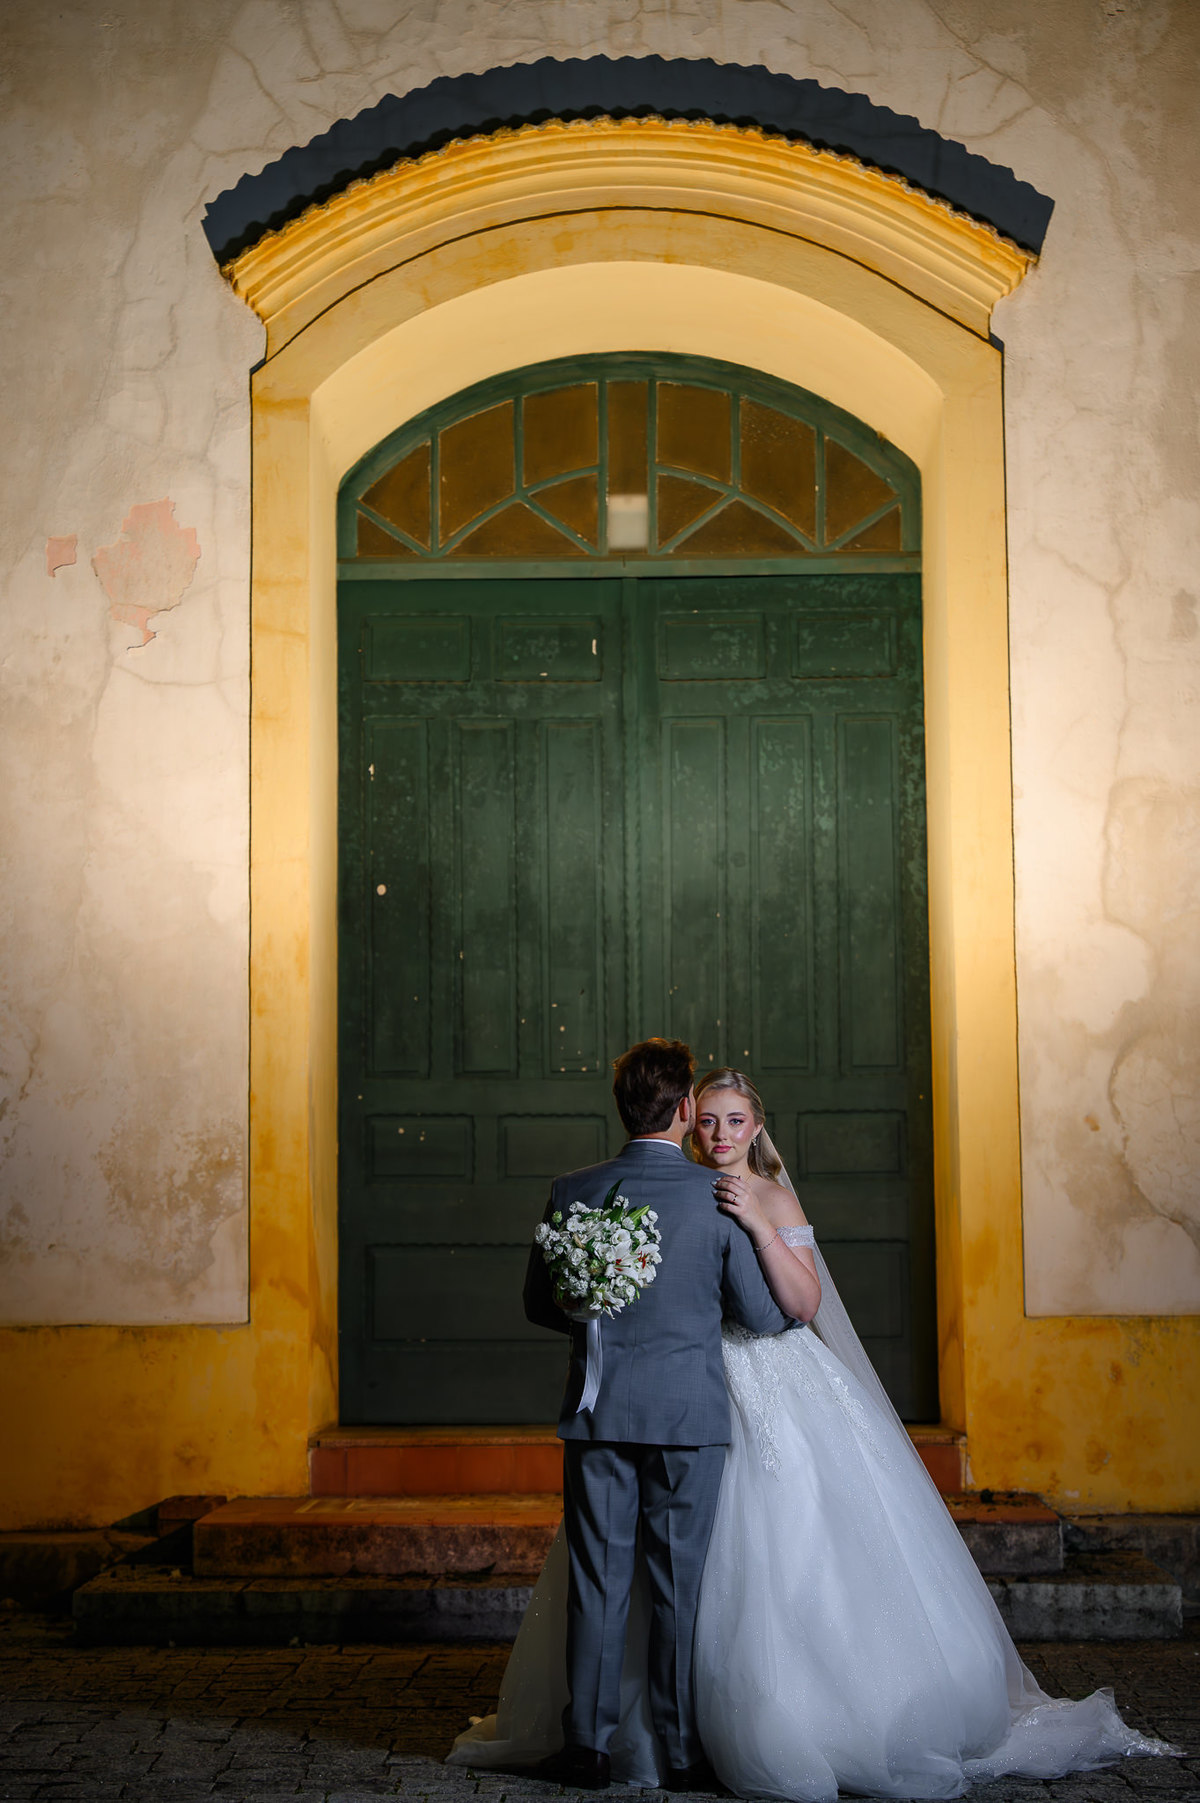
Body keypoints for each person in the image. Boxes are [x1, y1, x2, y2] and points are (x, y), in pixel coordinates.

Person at [450, 1068, 1178, 1798]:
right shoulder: (697, 1194)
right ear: (685, 1118)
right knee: (671, 1578)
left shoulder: (725, 1195)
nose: (720, 1134)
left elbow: (795, 1304)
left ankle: (636, 1734)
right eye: (708, 1121)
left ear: (758, 1127)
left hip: (744, 1391)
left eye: (735, 1121)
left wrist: (758, 1228)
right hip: (699, 1399)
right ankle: (668, 1740)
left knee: (735, 1559)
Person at [513, 1040, 797, 1792]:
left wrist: (598, 1310)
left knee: (597, 1580)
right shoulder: (717, 1197)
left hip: (599, 1414)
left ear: (623, 1108)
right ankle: (680, 1749)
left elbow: (541, 1304)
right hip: (689, 1420)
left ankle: (587, 1746)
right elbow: (767, 1316)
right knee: (679, 1585)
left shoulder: (574, 1190)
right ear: (681, 1111)